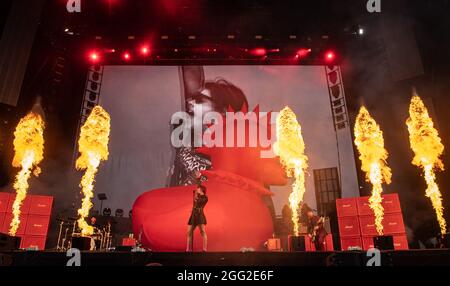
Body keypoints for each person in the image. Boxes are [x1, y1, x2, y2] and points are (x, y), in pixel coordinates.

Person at [186, 184, 209, 252]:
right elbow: (198, 186)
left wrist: (196, 196)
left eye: (198, 189)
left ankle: (204, 249)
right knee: (189, 232)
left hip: (200, 215)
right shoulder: (197, 196)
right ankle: (188, 249)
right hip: (193, 215)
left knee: (202, 232)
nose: (197, 190)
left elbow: (199, 202)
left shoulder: (205, 198)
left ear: (202, 190)